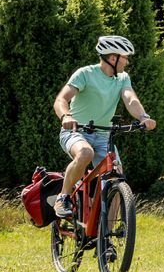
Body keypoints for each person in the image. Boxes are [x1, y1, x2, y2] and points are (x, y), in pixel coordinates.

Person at [50, 35, 157, 219]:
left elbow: (130, 99)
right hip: (75, 131)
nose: (127, 61)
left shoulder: (122, 78)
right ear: (112, 58)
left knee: (116, 176)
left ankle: (105, 242)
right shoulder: (85, 74)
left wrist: (143, 116)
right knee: (85, 153)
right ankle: (63, 197)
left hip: (103, 136)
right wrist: (66, 116)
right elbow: (61, 99)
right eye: (125, 57)